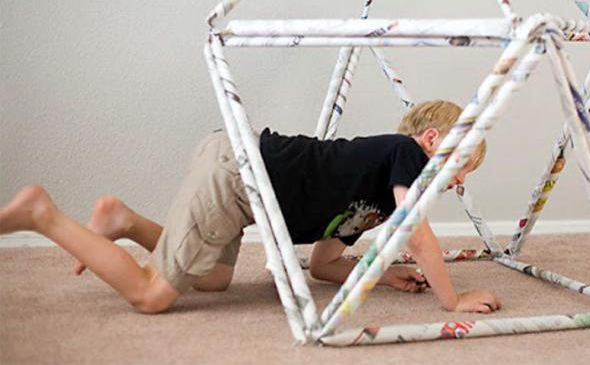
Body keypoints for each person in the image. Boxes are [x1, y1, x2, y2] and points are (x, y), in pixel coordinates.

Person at [0, 100, 501, 315]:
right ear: (432, 140)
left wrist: (386, 277)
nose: (457, 182)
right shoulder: (406, 153)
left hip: (242, 184)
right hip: (239, 174)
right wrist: (450, 301)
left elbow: (323, 266)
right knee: (152, 296)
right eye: (460, 168)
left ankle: (121, 220)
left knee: (215, 280)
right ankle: (43, 213)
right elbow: (418, 233)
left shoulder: (374, 199)